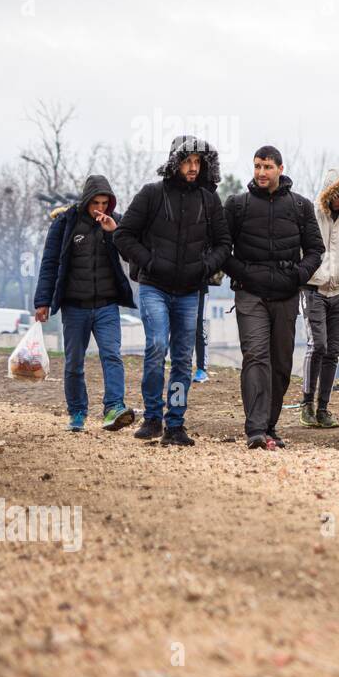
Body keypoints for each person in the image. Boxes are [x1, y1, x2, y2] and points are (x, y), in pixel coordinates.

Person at [115, 136, 231, 446]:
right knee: (155, 346)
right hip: (154, 287)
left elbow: (224, 243)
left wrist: (205, 266)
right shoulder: (152, 194)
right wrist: (150, 262)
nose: (193, 168)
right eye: (187, 161)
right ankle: (152, 416)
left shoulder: (209, 201)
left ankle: (175, 423)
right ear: (175, 162)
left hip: (190, 290)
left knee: (182, 359)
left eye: (198, 162)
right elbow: (124, 236)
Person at [222, 145, 324, 449]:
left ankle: (270, 426)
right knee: (256, 357)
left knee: (280, 364)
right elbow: (220, 248)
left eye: (267, 167)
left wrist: (297, 275)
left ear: (280, 168)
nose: (261, 173)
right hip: (249, 294)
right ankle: (255, 429)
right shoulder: (236, 205)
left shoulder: (301, 207)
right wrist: (242, 273)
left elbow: (316, 250)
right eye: (256, 167)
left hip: (286, 295)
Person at [33, 175, 136, 432]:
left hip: (107, 305)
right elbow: (49, 262)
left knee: (112, 355)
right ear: (86, 200)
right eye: (95, 203)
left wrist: (114, 232)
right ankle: (77, 413)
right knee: (74, 362)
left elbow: (131, 253)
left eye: (105, 203)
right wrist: (43, 301)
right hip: (74, 306)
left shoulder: (116, 222)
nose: (100, 208)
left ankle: (114, 408)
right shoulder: (65, 223)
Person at [300, 168, 339, 428]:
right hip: (314, 289)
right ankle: (307, 403)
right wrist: (309, 272)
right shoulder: (312, 215)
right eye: (337, 194)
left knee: (333, 352)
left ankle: (323, 407)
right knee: (318, 345)